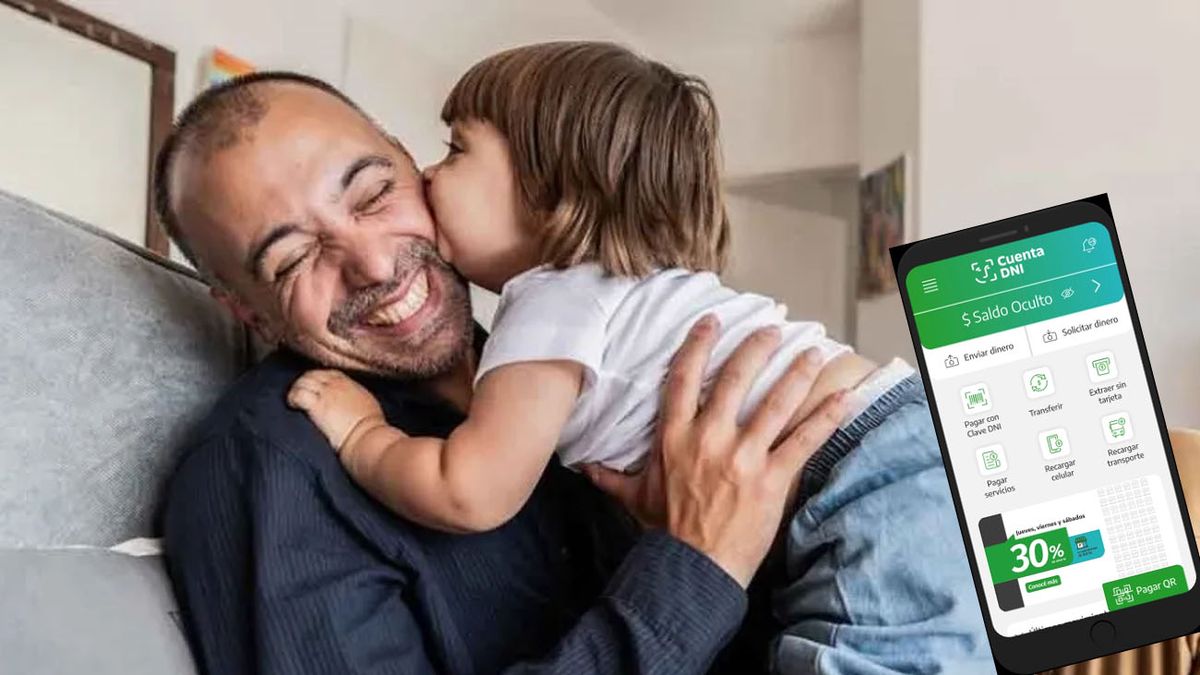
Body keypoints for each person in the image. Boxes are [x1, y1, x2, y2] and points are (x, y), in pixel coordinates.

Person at [157, 67, 989, 674]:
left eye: (374, 194)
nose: (373, 263)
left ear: (413, 167)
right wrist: (694, 564)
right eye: (296, 256)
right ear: (250, 313)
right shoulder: (266, 467)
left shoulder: (553, 377)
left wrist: (720, 529)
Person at [285, 42, 883, 537]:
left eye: (456, 148)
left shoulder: (549, 300)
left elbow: (468, 493)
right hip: (882, 434)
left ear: (548, 188)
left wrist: (364, 435)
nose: (431, 173)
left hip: (856, 467)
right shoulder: (616, 299)